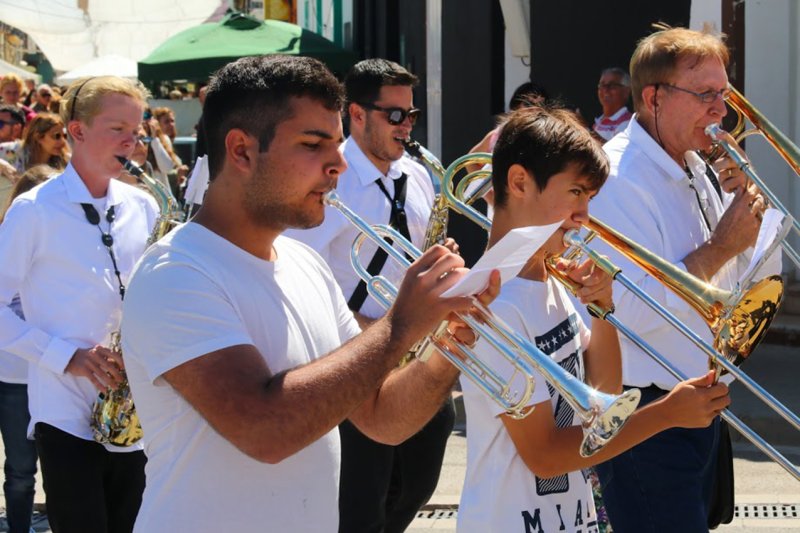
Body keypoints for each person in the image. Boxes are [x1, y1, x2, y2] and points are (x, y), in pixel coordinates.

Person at [120, 54, 496, 533]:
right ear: (241, 151)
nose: (339, 164)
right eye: (314, 144)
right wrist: (402, 324)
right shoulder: (175, 272)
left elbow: (383, 419)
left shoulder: (306, 265)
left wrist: (448, 345)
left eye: (338, 144)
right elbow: (265, 430)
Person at [456, 105, 731, 533]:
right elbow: (544, 454)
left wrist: (603, 310)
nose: (585, 215)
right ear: (519, 182)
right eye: (575, 193)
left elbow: (603, 397)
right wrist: (665, 414)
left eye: (589, 198)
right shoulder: (496, 302)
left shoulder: (548, 280)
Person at [588, 27, 769, 532]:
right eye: (705, 94)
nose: (721, 110)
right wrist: (719, 248)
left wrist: (750, 221)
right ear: (653, 98)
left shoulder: (696, 164)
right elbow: (625, 311)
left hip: (700, 403)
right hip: (650, 414)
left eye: (724, 94)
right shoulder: (615, 179)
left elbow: (737, 286)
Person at [286, 57, 456, 533]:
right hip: (355, 361)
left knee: (418, 485)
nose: (406, 127)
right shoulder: (327, 182)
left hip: (416, 356)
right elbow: (295, 272)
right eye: (394, 115)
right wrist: (364, 330)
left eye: (412, 115)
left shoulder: (420, 175)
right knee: (360, 504)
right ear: (355, 115)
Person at [0, 76, 158, 533]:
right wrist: (66, 355)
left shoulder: (143, 206)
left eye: (137, 129)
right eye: (117, 129)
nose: (132, 141)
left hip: (134, 413)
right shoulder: (34, 211)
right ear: (77, 130)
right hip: (66, 412)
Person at [0, 165, 57, 533]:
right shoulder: (7, 241)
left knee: (62, 471)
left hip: (59, 376)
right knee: (21, 471)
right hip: (14, 378)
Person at [0, 113, 70, 174]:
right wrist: (2, 165)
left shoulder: (67, 162)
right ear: (38, 137)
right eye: (56, 136)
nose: (62, 141)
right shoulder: (13, 150)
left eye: (65, 136)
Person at [593, 67, 633, 141]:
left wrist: (586, 129)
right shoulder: (597, 122)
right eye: (602, 85)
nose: (605, 90)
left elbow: (612, 151)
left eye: (612, 85)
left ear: (626, 91)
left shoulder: (628, 123)